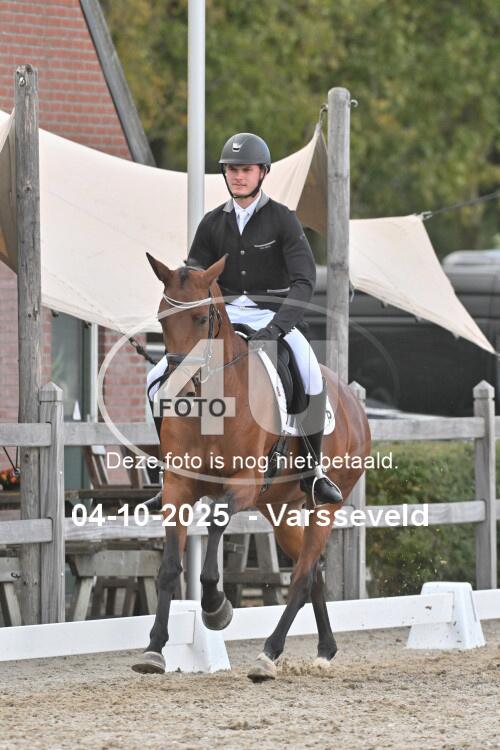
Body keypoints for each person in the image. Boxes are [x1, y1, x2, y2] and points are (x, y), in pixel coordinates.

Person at [146, 132, 342, 506]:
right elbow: (194, 280)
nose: (238, 176)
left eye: (246, 170)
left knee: (309, 372)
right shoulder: (211, 223)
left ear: (262, 172)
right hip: (223, 317)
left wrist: (277, 328)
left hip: (274, 314)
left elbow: (304, 281)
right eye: (232, 170)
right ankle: (170, 470)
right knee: (156, 380)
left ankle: (313, 472)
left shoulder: (283, 220)